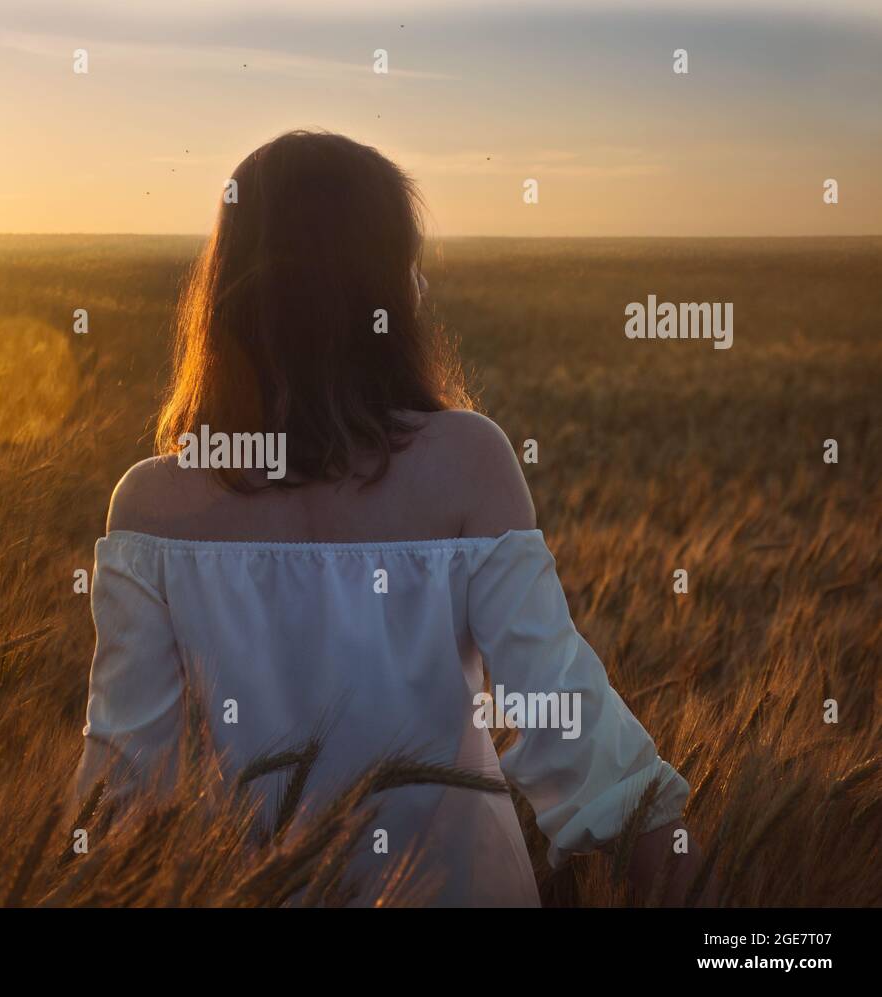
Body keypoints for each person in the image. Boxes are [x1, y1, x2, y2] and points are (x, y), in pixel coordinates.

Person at [74, 129, 703, 906]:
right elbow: (556, 703)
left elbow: (124, 782)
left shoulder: (150, 507)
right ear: (384, 287)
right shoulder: (468, 460)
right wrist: (661, 839)